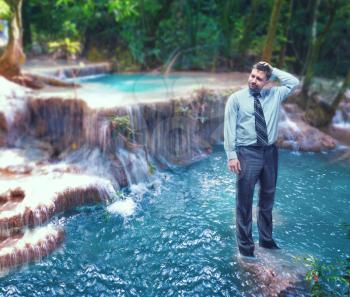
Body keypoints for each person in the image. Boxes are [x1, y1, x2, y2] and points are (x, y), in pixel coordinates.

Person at [224, 61, 299, 258]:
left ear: (267, 81)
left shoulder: (275, 95)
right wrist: (232, 155)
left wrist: (273, 71)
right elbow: (229, 129)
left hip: (270, 152)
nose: (254, 81)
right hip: (247, 152)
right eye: (252, 76)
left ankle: (266, 241)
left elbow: (293, 82)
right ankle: (246, 249)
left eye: (259, 78)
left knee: (267, 198)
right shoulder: (236, 99)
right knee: (244, 201)